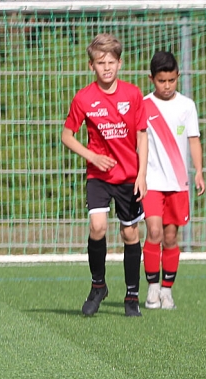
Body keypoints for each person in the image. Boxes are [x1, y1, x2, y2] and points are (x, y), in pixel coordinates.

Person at [61, 33, 148, 317]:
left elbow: (142, 135)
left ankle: (132, 296)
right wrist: (92, 156)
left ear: (120, 63)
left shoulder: (133, 94)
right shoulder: (84, 98)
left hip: (128, 176)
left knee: (129, 232)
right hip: (98, 176)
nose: (106, 67)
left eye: (111, 62)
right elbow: (67, 136)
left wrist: (142, 174)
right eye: (100, 62)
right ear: (91, 66)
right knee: (97, 227)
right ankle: (98, 286)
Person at [141, 51, 206, 310]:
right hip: (151, 182)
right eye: (161, 81)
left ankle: (167, 290)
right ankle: (152, 288)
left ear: (178, 77)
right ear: (151, 79)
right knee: (154, 232)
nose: (167, 86)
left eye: (171, 80)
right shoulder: (143, 105)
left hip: (178, 184)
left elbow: (194, 139)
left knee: (170, 237)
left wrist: (198, 171)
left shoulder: (187, 106)